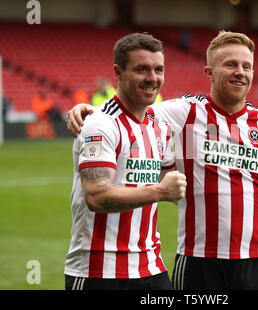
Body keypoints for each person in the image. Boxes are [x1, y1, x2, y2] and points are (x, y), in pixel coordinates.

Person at [66, 31, 258, 290]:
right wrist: (88, 110)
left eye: (247, 66)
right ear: (209, 73)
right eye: (230, 64)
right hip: (198, 261)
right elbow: (131, 110)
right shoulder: (185, 113)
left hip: (255, 258)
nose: (240, 71)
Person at [64, 33, 187, 290]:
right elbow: (97, 196)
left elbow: (175, 184)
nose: (153, 78)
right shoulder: (100, 123)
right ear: (118, 73)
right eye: (142, 69)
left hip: (151, 267)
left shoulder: (161, 128)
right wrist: (161, 191)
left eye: (158, 69)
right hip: (98, 272)